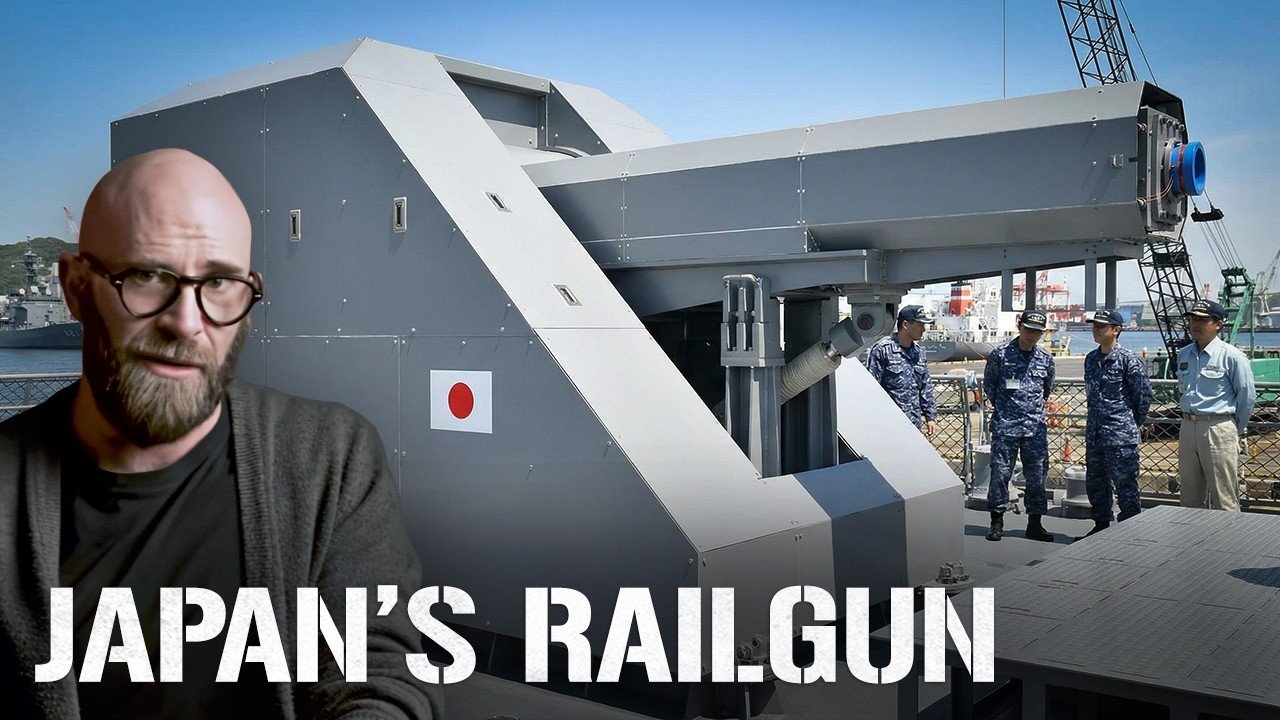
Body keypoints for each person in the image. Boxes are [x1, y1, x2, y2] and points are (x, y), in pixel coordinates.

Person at [0, 149, 439, 719]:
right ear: (77, 289)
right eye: (148, 277)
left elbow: (378, 679)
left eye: (221, 283)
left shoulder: (333, 460)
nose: (187, 323)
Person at [982, 310, 1056, 542]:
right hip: (1006, 427)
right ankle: (996, 521)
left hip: (1034, 428)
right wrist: (1007, 409)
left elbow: (1046, 390)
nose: (1032, 335)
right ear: (1019, 326)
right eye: (1028, 329)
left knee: (1036, 477)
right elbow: (990, 386)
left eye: (1037, 331)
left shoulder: (1045, 359)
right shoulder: (1000, 355)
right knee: (1001, 474)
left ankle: (1034, 523)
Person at [1176, 299, 1256, 512]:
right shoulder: (1183, 354)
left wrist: (1232, 429)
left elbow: (1247, 397)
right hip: (1187, 426)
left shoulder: (1232, 356)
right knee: (1189, 499)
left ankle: (1227, 545)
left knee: (1224, 499)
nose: (1195, 323)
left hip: (1218, 427)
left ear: (1218, 324)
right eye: (1193, 318)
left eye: (1203, 319)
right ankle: (1192, 544)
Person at [1079, 309, 1153, 539]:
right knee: (1096, 485)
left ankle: (1129, 534)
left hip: (1120, 437)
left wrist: (1128, 424)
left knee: (1126, 487)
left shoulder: (1128, 361)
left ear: (1116, 330)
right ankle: (1100, 527)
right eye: (1094, 325)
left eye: (1101, 326)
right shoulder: (1091, 359)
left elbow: (1143, 396)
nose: (1096, 329)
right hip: (1095, 435)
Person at [867, 305, 939, 435]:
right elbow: (872, 388)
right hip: (888, 425)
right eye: (920, 325)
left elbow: (925, 387)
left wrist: (931, 417)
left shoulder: (919, 353)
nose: (923, 329)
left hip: (914, 425)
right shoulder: (883, 350)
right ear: (905, 325)